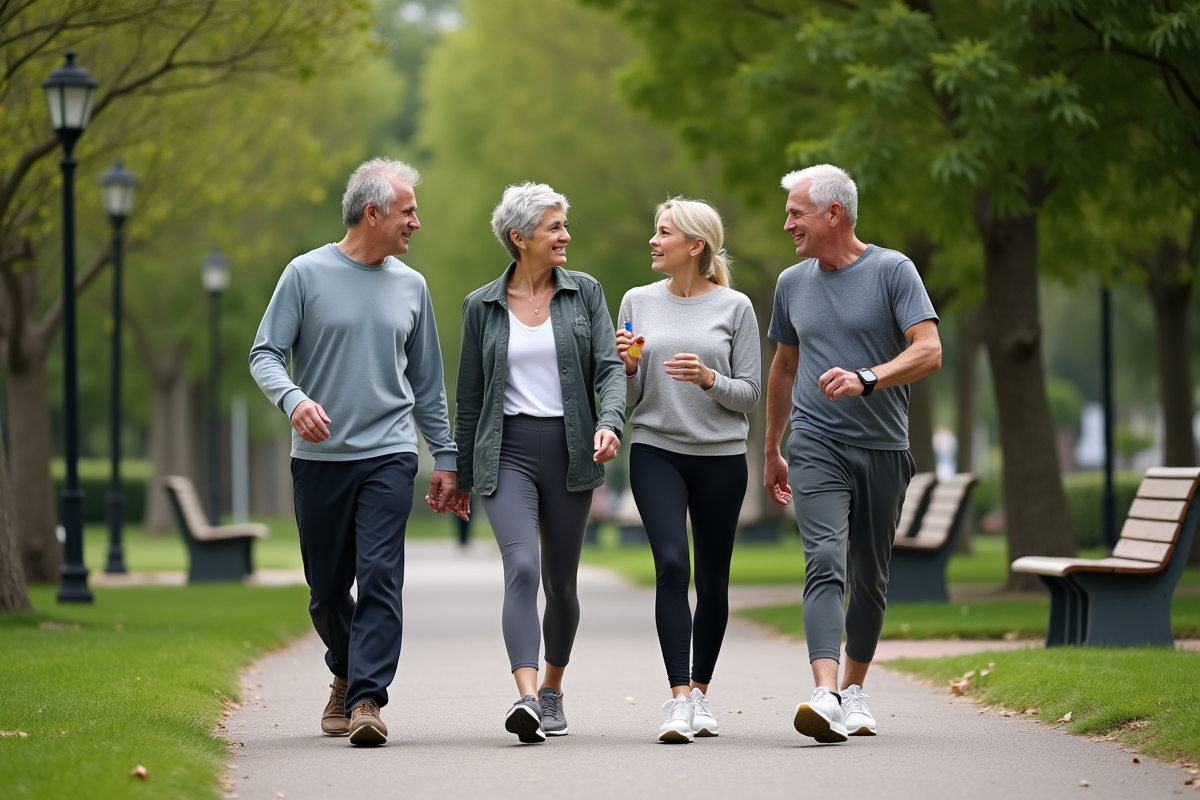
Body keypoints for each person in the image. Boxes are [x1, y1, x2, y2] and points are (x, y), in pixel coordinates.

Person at [249, 158, 462, 747]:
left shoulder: (411, 286)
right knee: (325, 589)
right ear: (374, 213)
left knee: (380, 577)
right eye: (408, 211)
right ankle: (343, 668)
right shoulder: (304, 274)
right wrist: (293, 401)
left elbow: (426, 383)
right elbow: (265, 353)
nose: (417, 221)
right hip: (319, 460)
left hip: (389, 454)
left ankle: (366, 698)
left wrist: (444, 456)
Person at [763, 164, 941, 743]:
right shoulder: (792, 283)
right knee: (825, 562)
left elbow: (930, 350)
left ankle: (855, 690)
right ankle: (824, 689)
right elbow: (786, 366)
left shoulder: (893, 271)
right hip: (815, 442)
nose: (787, 221)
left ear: (832, 213)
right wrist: (772, 447)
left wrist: (869, 377)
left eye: (796, 212)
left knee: (870, 577)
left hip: (884, 445)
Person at [454, 182, 625, 744]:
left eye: (564, 226)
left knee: (561, 584)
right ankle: (525, 696)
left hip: (572, 450)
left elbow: (608, 369)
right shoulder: (481, 305)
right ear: (519, 238)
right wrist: (457, 469)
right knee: (521, 568)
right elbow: (471, 398)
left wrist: (610, 422)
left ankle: (552, 688)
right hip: (506, 453)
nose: (565, 236)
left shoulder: (586, 294)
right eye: (555, 227)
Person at [616, 198, 760, 743]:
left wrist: (707, 379)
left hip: (722, 457)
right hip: (656, 449)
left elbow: (748, 394)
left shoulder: (736, 307)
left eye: (664, 233)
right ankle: (678, 699)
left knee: (714, 580)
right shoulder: (635, 300)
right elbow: (628, 394)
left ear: (695, 246)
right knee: (673, 567)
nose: (653, 241)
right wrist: (629, 366)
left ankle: (701, 693)